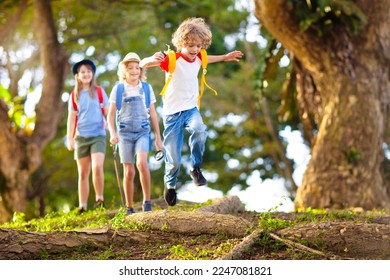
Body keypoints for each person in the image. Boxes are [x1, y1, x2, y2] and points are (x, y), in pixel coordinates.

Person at [140, 17, 243, 207]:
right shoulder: (171, 59)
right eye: (190, 46)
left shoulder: (199, 57)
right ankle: (170, 185)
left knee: (199, 129)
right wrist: (152, 59)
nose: (195, 50)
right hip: (172, 115)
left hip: (191, 109)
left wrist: (225, 57)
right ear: (181, 44)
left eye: (198, 45)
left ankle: (195, 168)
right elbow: (143, 64)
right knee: (174, 160)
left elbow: (207, 58)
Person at [107, 52, 162, 215]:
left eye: (137, 68)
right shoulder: (118, 89)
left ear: (141, 70)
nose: (134, 71)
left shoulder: (146, 88)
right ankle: (129, 207)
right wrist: (112, 133)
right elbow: (110, 115)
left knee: (142, 164)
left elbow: (153, 113)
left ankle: (147, 202)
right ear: (124, 70)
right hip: (124, 133)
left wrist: (158, 136)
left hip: (142, 131)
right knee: (129, 171)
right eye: (130, 68)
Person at [66, 59, 109, 213]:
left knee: (97, 167)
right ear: (77, 75)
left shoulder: (99, 91)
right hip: (81, 137)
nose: (86, 74)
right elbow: (71, 119)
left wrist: (112, 131)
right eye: (82, 71)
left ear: (92, 74)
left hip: (98, 135)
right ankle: (82, 206)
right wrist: (69, 138)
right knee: (83, 173)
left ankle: (100, 199)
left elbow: (107, 113)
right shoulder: (74, 96)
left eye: (88, 71)